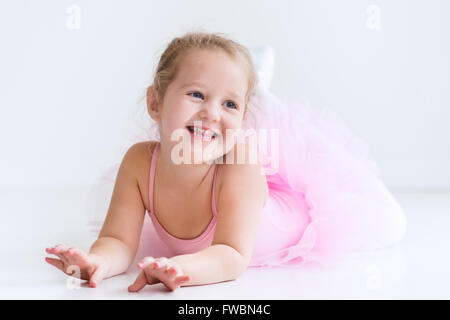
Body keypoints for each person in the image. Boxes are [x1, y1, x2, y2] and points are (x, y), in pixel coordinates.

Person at [44, 31, 407, 292]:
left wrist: (179, 268)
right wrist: (99, 263)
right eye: (196, 94)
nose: (210, 113)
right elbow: (118, 240)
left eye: (229, 104)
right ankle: (247, 86)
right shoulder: (140, 163)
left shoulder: (239, 164)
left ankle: (258, 92)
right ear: (155, 103)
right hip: (233, 177)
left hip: (301, 210)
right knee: (226, 110)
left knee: (389, 223)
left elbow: (232, 256)